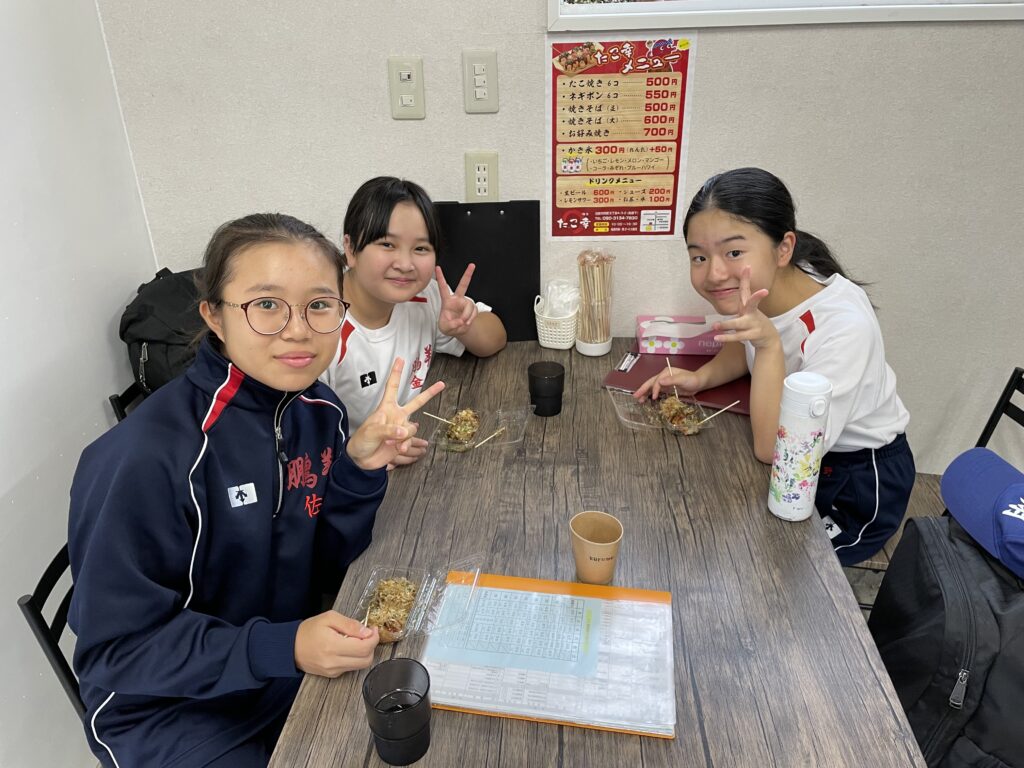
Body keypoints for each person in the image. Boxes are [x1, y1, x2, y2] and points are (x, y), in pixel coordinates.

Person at [68, 213, 444, 767]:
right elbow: (117, 650)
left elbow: (328, 563)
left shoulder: (320, 411)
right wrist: (282, 646)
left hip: (286, 666)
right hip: (170, 714)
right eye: (267, 304)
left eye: (319, 305)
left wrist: (358, 471)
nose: (297, 330)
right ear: (214, 316)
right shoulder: (142, 458)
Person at [635, 168, 914, 565]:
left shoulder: (843, 328)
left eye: (734, 253)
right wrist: (701, 377)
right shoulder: (770, 286)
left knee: (778, 564)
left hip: (855, 480)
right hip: (802, 455)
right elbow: (746, 340)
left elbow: (775, 451)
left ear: (784, 248)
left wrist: (768, 346)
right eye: (699, 257)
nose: (714, 273)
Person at [321, 177, 507, 466]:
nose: (405, 265)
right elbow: (298, 447)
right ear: (350, 248)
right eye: (387, 244)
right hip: (349, 473)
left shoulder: (425, 297)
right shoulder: (320, 330)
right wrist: (358, 458)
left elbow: (495, 339)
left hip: (415, 454)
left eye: (420, 249)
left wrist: (464, 325)